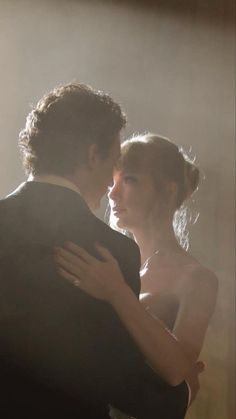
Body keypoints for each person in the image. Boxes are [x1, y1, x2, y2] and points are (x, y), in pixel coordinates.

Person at [0, 86, 190, 419]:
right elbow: (118, 375)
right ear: (91, 155)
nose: (111, 181)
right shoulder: (113, 252)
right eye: (113, 161)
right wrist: (176, 396)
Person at [55, 134, 218, 417]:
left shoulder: (196, 278)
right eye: (113, 181)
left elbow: (180, 375)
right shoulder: (108, 262)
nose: (113, 193)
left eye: (129, 180)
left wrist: (117, 292)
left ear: (167, 190)